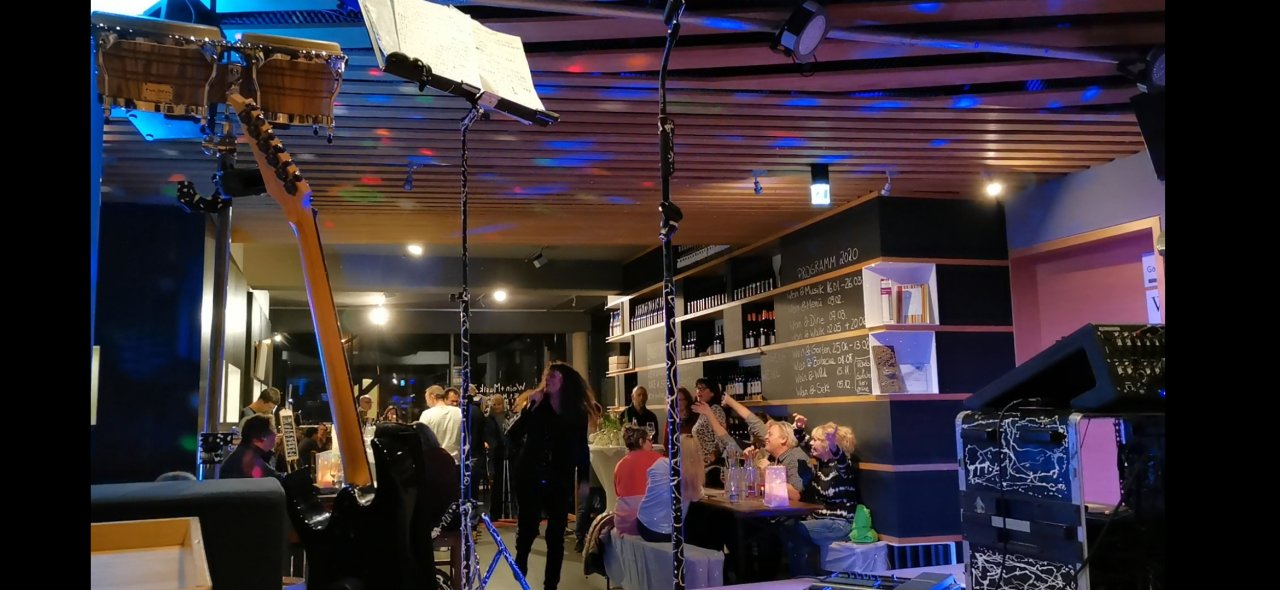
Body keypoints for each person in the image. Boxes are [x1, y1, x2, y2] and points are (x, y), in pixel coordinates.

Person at [506, 362, 597, 590]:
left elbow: (582, 447)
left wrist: (584, 479)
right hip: (530, 473)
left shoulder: (576, 412)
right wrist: (530, 408)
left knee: (556, 535)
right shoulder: (537, 405)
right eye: (547, 376)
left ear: (565, 382)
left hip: (559, 476)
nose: (548, 380)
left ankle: (551, 585)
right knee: (528, 526)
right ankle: (522, 557)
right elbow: (513, 435)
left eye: (553, 377)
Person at [781, 422, 861, 576]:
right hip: (821, 520)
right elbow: (804, 442)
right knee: (786, 525)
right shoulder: (822, 463)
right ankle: (806, 573)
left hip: (839, 524)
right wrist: (798, 428)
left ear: (828, 445)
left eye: (816, 440)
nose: (811, 443)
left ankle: (806, 575)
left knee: (796, 530)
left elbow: (842, 460)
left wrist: (834, 446)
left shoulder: (844, 467)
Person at [700, 395, 811, 500]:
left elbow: (796, 494)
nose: (765, 437)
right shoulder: (771, 456)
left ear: (783, 439)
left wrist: (770, 473)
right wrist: (750, 463)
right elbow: (757, 487)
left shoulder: (795, 457)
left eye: (770, 434)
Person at [635, 434, 705, 542]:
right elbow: (696, 496)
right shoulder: (690, 477)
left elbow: (649, 477)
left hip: (642, 524)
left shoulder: (660, 462)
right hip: (666, 532)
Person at [612, 425, 663, 536]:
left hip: (623, 523)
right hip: (651, 524)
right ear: (641, 441)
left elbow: (618, 493)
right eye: (649, 440)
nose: (652, 443)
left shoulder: (619, 464)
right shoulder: (659, 460)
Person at [220, 414, 279, 479]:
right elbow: (276, 479)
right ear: (263, 437)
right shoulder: (249, 457)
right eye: (273, 429)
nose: (276, 434)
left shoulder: (243, 450)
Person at [484, 394, 511, 519]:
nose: (496, 407)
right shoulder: (489, 419)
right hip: (496, 454)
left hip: (508, 452)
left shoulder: (508, 416)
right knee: (497, 483)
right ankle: (496, 511)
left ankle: (509, 510)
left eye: (499, 404)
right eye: (494, 404)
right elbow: (489, 436)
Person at [419, 386, 462, 463]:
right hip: (456, 462)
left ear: (432, 396)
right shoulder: (459, 412)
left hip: (435, 462)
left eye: (427, 399)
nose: (427, 403)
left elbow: (422, 440)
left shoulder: (427, 414)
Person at [692, 379, 728, 465]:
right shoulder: (702, 412)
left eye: (702, 388)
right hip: (700, 461)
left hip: (710, 463)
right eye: (698, 388)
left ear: (712, 393)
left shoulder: (715, 410)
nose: (699, 391)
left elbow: (721, 438)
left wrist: (711, 458)